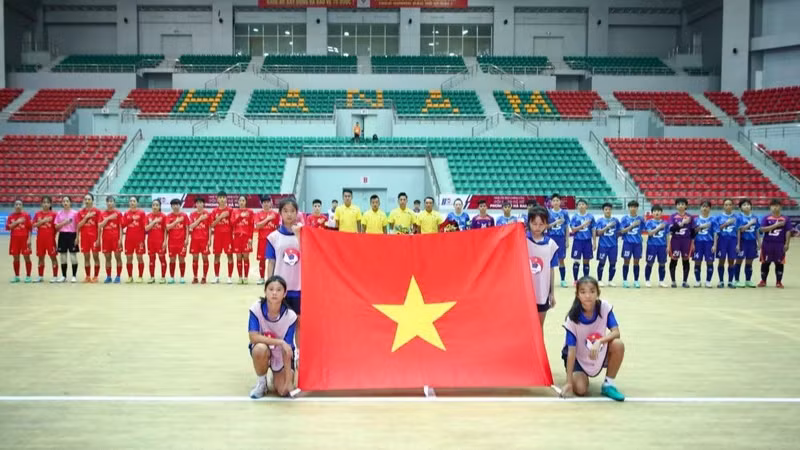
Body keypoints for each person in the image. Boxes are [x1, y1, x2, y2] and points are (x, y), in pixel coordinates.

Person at [560, 277, 625, 401]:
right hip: (577, 356)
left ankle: (608, 384)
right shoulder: (572, 318)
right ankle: (577, 376)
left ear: (598, 293)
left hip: (596, 349)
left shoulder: (604, 308)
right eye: (583, 292)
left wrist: (600, 341)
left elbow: (616, 332)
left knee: (618, 344)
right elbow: (571, 351)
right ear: (578, 295)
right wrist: (569, 382)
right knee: (580, 389)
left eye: (592, 291)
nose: (588, 296)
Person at [248, 275, 297, 399]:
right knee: (259, 348)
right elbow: (253, 337)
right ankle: (262, 383)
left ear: (285, 293)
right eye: (271, 289)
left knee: (283, 391)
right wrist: (280, 341)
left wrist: (288, 383)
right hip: (263, 350)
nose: (274, 293)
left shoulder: (290, 316)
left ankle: (276, 376)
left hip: (281, 355)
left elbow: (287, 350)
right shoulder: (256, 309)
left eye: (279, 290)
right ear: (265, 292)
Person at [267, 198, 303, 357]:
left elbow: (311, 255)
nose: (289, 214)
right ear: (280, 213)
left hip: (300, 287)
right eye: (285, 211)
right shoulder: (273, 237)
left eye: (292, 211)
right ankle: (283, 354)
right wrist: (270, 286)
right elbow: (271, 262)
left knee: (300, 323)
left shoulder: (303, 235)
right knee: (282, 323)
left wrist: (299, 236)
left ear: (297, 213)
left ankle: (300, 355)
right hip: (282, 289)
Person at [526, 207, 559, 325]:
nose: (537, 227)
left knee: (539, 326)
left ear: (546, 224)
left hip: (542, 293)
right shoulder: (522, 240)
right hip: (525, 292)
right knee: (525, 326)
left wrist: (552, 293)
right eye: (534, 224)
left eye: (541, 224)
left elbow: (551, 270)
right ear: (528, 223)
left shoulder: (551, 245)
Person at [758, 199, 791, 288]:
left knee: (779, 263)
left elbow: (788, 231)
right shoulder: (766, 218)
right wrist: (776, 225)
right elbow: (762, 229)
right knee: (765, 263)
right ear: (770, 207)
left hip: (780, 244)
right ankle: (763, 281)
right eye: (773, 206)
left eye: (777, 205)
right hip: (767, 244)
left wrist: (787, 243)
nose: (775, 207)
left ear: (780, 207)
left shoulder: (785, 219)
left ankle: (778, 282)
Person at [209, 191, 235, 284]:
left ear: (226, 199)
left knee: (230, 256)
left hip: (228, 236)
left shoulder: (231, 210)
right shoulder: (214, 211)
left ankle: (229, 277)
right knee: (217, 256)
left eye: (224, 197)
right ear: (217, 199)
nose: (222, 199)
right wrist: (220, 217)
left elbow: (233, 224)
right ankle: (216, 276)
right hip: (217, 237)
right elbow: (212, 225)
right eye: (220, 198)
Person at [32, 196, 59, 283]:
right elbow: (34, 225)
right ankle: (40, 276)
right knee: (40, 258)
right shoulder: (37, 214)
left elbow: (57, 227)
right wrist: (44, 221)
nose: (45, 204)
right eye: (44, 202)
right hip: (40, 239)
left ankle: (55, 276)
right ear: (41, 203)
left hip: (50, 240)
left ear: (50, 204)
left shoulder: (54, 214)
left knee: (53, 257)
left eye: (47, 202)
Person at [667, 197, 693, 288]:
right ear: (676, 206)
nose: (680, 206)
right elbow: (671, 229)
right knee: (674, 260)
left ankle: (685, 281)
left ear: (686, 206)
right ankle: (673, 281)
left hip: (686, 241)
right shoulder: (673, 216)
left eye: (682, 204)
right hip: (675, 241)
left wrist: (693, 243)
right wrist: (682, 223)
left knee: (686, 260)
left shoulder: (690, 217)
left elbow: (693, 231)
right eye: (678, 204)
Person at [254, 195, 280, 284]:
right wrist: (268, 219)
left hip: (272, 241)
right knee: (262, 260)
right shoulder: (258, 214)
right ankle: (261, 278)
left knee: (272, 259)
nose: (266, 204)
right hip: (262, 239)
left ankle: (271, 277)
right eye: (264, 202)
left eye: (267, 202)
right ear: (261, 203)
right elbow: (257, 226)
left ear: (271, 203)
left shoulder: (276, 214)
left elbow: (278, 227)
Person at [76, 193, 102, 283]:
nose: (87, 201)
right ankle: (87, 276)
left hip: (94, 238)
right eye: (85, 199)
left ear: (92, 200)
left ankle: (95, 276)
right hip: (84, 238)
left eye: (89, 199)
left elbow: (99, 227)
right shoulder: (80, 212)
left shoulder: (97, 212)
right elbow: (78, 226)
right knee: (86, 257)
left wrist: (98, 239)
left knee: (96, 257)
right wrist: (86, 217)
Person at [619, 200, 645, 289]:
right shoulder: (624, 218)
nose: (633, 208)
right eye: (631, 207)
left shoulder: (641, 219)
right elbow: (622, 231)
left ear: (637, 208)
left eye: (634, 207)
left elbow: (643, 229)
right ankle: (625, 280)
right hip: (627, 243)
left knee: (636, 262)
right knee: (626, 261)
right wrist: (632, 226)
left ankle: (636, 281)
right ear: (629, 208)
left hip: (637, 243)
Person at [569, 199, 595, 285]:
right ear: (577, 206)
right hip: (578, 241)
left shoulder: (591, 217)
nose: (581, 206)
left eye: (583, 204)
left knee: (586, 261)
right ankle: (576, 280)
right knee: (576, 261)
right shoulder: (575, 217)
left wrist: (594, 242)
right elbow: (573, 230)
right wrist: (583, 225)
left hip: (587, 241)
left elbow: (593, 230)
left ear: (586, 206)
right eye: (579, 204)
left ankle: (586, 280)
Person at [735, 199, 760, 288]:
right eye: (744, 205)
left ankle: (748, 280)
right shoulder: (739, 217)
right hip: (742, 242)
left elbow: (757, 230)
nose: (747, 206)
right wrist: (737, 244)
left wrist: (759, 243)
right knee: (739, 261)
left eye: (748, 204)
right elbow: (740, 230)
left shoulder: (755, 217)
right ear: (740, 208)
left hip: (752, 242)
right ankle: (736, 280)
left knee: (749, 262)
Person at [98, 196, 123, 283]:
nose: (110, 203)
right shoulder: (103, 214)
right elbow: (100, 226)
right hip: (106, 239)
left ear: (114, 203)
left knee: (118, 257)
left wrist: (120, 239)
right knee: (107, 258)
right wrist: (108, 218)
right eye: (108, 201)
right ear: (106, 203)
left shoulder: (118, 213)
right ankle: (108, 276)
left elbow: (120, 227)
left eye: (111, 201)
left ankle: (118, 276)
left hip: (116, 239)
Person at [714, 198, 739, 289]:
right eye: (726, 204)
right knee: (721, 261)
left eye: (730, 204)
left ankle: (730, 282)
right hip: (722, 241)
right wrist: (727, 223)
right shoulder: (718, 217)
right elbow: (716, 230)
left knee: (731, 261)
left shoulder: (737, 217)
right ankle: (721, 281)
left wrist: (738, 244)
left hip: (732, 241)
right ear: (723, 206)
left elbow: (739, 231)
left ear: (732, 206)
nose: (728, 206)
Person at [6, 199, 32, 283]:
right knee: (16, 258)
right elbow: (8, 227)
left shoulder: (26, 215)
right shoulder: (10, 216)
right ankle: (17, 276)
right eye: (16, 204)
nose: (18, 206)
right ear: (14, 206)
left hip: (24, 239)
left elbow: (30, 228)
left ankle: (28, 276)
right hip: (14, 239)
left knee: (26, 257)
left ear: (22, 206)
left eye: (20, 204)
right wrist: (18, 222)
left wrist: (29, 239)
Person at [594, 202, 619, 288]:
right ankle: (600, 280)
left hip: (613, 246)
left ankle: (610, 280)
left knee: (613, 263)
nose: (608, 211)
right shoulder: (600, 221)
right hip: (603, 246)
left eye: (609, 209)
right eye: (606, 209)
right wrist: (607, 227)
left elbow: (619, 232)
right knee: (602, 262)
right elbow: (598, 233)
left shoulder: (615, 220)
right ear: (603, 211)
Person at [54, 196, 79, 283]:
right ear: (62, 203)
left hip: (72, 235)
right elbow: (56, 226)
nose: (65, 203)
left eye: (67, 201)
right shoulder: (59, 213)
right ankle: (64, 276)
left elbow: (78, 226)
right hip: (62, 235)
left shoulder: (75, 213)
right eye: (64, 201)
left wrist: (77, 237)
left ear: (70, 202)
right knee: (63, 257)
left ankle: (74, 276)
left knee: (73, 256)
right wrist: (64, 222)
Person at [547, 193, 570, 288]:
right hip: (551, 237)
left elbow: (567, 227)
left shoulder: (564, 213)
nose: (556, 202)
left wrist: (567, 240)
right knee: (549, 260)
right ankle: (548, 281)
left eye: (557, 200)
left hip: (561, 238)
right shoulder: (548, 212)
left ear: (560, 202)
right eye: (554, 201)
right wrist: (555, 222)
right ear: (551, 202)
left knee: (561, 259)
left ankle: (563, 280)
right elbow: (546, 226)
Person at [122, 196, 147, 283]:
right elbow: (123, 225)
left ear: (137, 203)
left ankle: (140, 276)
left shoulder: (141, 213)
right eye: (131, 201)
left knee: (139, 257)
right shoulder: (126, 213)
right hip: (129, 240)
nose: (132, 203)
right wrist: (131, 219)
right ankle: (130, 276)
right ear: (129, 203)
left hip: (139, 239)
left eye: (134, 201)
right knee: (129, 258)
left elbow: (145, 226)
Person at [165, 198, 190, 284]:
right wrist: (177, 221)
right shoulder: (168, 216)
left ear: (180, 205)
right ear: (171, 206)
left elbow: (187, 228)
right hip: (171, 242)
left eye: (177, 204)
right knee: (172, 259)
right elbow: (167, 228)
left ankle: (182, 277)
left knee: (181, 259)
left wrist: (187, 239)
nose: (176, 206)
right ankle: (172, 277)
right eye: (174, 205)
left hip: (181, 242)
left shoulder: (184, 215)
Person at [644, 205, 668, 288]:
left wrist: (668, 246)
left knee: (662, 263)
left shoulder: (665, 223)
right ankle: (647, 280)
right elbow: (650, 233)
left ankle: (661, 281)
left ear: (661, 213)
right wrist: (659, 227)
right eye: (655, 211)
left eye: (658, 211)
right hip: (652, 246)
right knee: (649, 263)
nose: (657, 212)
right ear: (652, 213)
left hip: (662, 246)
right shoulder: (649, 222)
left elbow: (667, 235)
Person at [692, 201, 716, 288]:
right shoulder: (695, 219)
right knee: (697, 261)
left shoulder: (713, 220)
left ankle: (708, 281)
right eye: (703, 206)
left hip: (709, 243)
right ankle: (698, 281)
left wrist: (715, 245)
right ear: (700, 208)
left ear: (710, 208)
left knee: (709, 262)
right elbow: (693, 232)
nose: (704, 208)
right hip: (698, 243)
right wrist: (692, 244)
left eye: (706, 207)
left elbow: (716, 233)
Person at [232, 195, 255, 284]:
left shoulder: (250, 212)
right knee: (238, 257)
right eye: (240, 200)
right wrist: (240, 217)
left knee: (246, 257)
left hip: (246, 238)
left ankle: (246, 277)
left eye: (243, 200)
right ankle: (240, 277)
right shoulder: (235, 212)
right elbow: (232, 223)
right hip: (237, 237)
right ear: (238, 202)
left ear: (246, 202)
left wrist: (250, 238)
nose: (241, 202)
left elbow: (251, 226)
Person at [188, 197, 211, 284]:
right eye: (198, 203)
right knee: (195, 258)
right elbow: (191, 226)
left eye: (201, 203)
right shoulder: (192, 214)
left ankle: (204, 277)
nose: (199, 204)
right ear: (195, 204)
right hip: (194, 240)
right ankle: (195, 277)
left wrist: (209, 240)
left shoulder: (207, 214)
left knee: (205, 258)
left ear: (203, 204)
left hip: (204, 240)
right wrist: (200, 219)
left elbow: (209, 227)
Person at [145, 199, 167, 284]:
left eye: (157, 205)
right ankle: (152, 277)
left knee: (162, 259)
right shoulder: (148, 216)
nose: (155, 207)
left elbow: (165, 230)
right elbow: (146, 228)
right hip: (151, 242)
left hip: (160, 241)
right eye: (153, 205)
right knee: (151, 259)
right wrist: (154, 221)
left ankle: (163, 277)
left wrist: (165, 241)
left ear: (160, 206)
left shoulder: (164, 216)